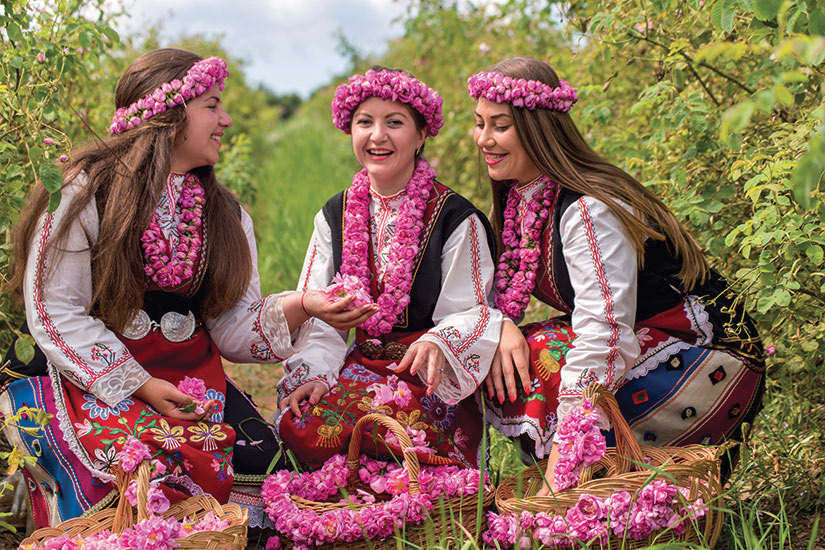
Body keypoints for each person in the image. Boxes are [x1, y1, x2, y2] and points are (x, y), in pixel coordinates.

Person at [0, 48, 374, 528]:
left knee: (267, 471)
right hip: (95, 377)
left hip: (191, 385)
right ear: (167, 113)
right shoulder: (84, 193)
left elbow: (233, 329)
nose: (227, 119)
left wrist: (304, 305)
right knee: (140, 475)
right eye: (213, 105)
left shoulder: (227, 216)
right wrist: (140, 385)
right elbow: (55, 311)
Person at [466, 57, 765, 494]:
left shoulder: (589, 209)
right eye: (478, 123)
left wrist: (561, 469)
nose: (483, 139)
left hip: (709, 354)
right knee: (503, 348)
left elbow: (604, 333)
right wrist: (500, 325)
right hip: (645, 339)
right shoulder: (521, 200)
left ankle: (583, 483)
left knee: (545, 354)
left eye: (500, 126)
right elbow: (485, 297)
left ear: (538, 129)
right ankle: (601, 483)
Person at [276, 67, 502, 468]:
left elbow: (473, 312)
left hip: (429, 375)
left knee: (395, 429)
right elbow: (320, 318)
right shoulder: (335, 214)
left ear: (420, 135)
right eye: (365, 122)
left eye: (394, 123)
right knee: (305, 423)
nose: (377, 136)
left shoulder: (454, 218)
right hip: (360, 368)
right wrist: (316, 374)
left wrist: (439, 342)